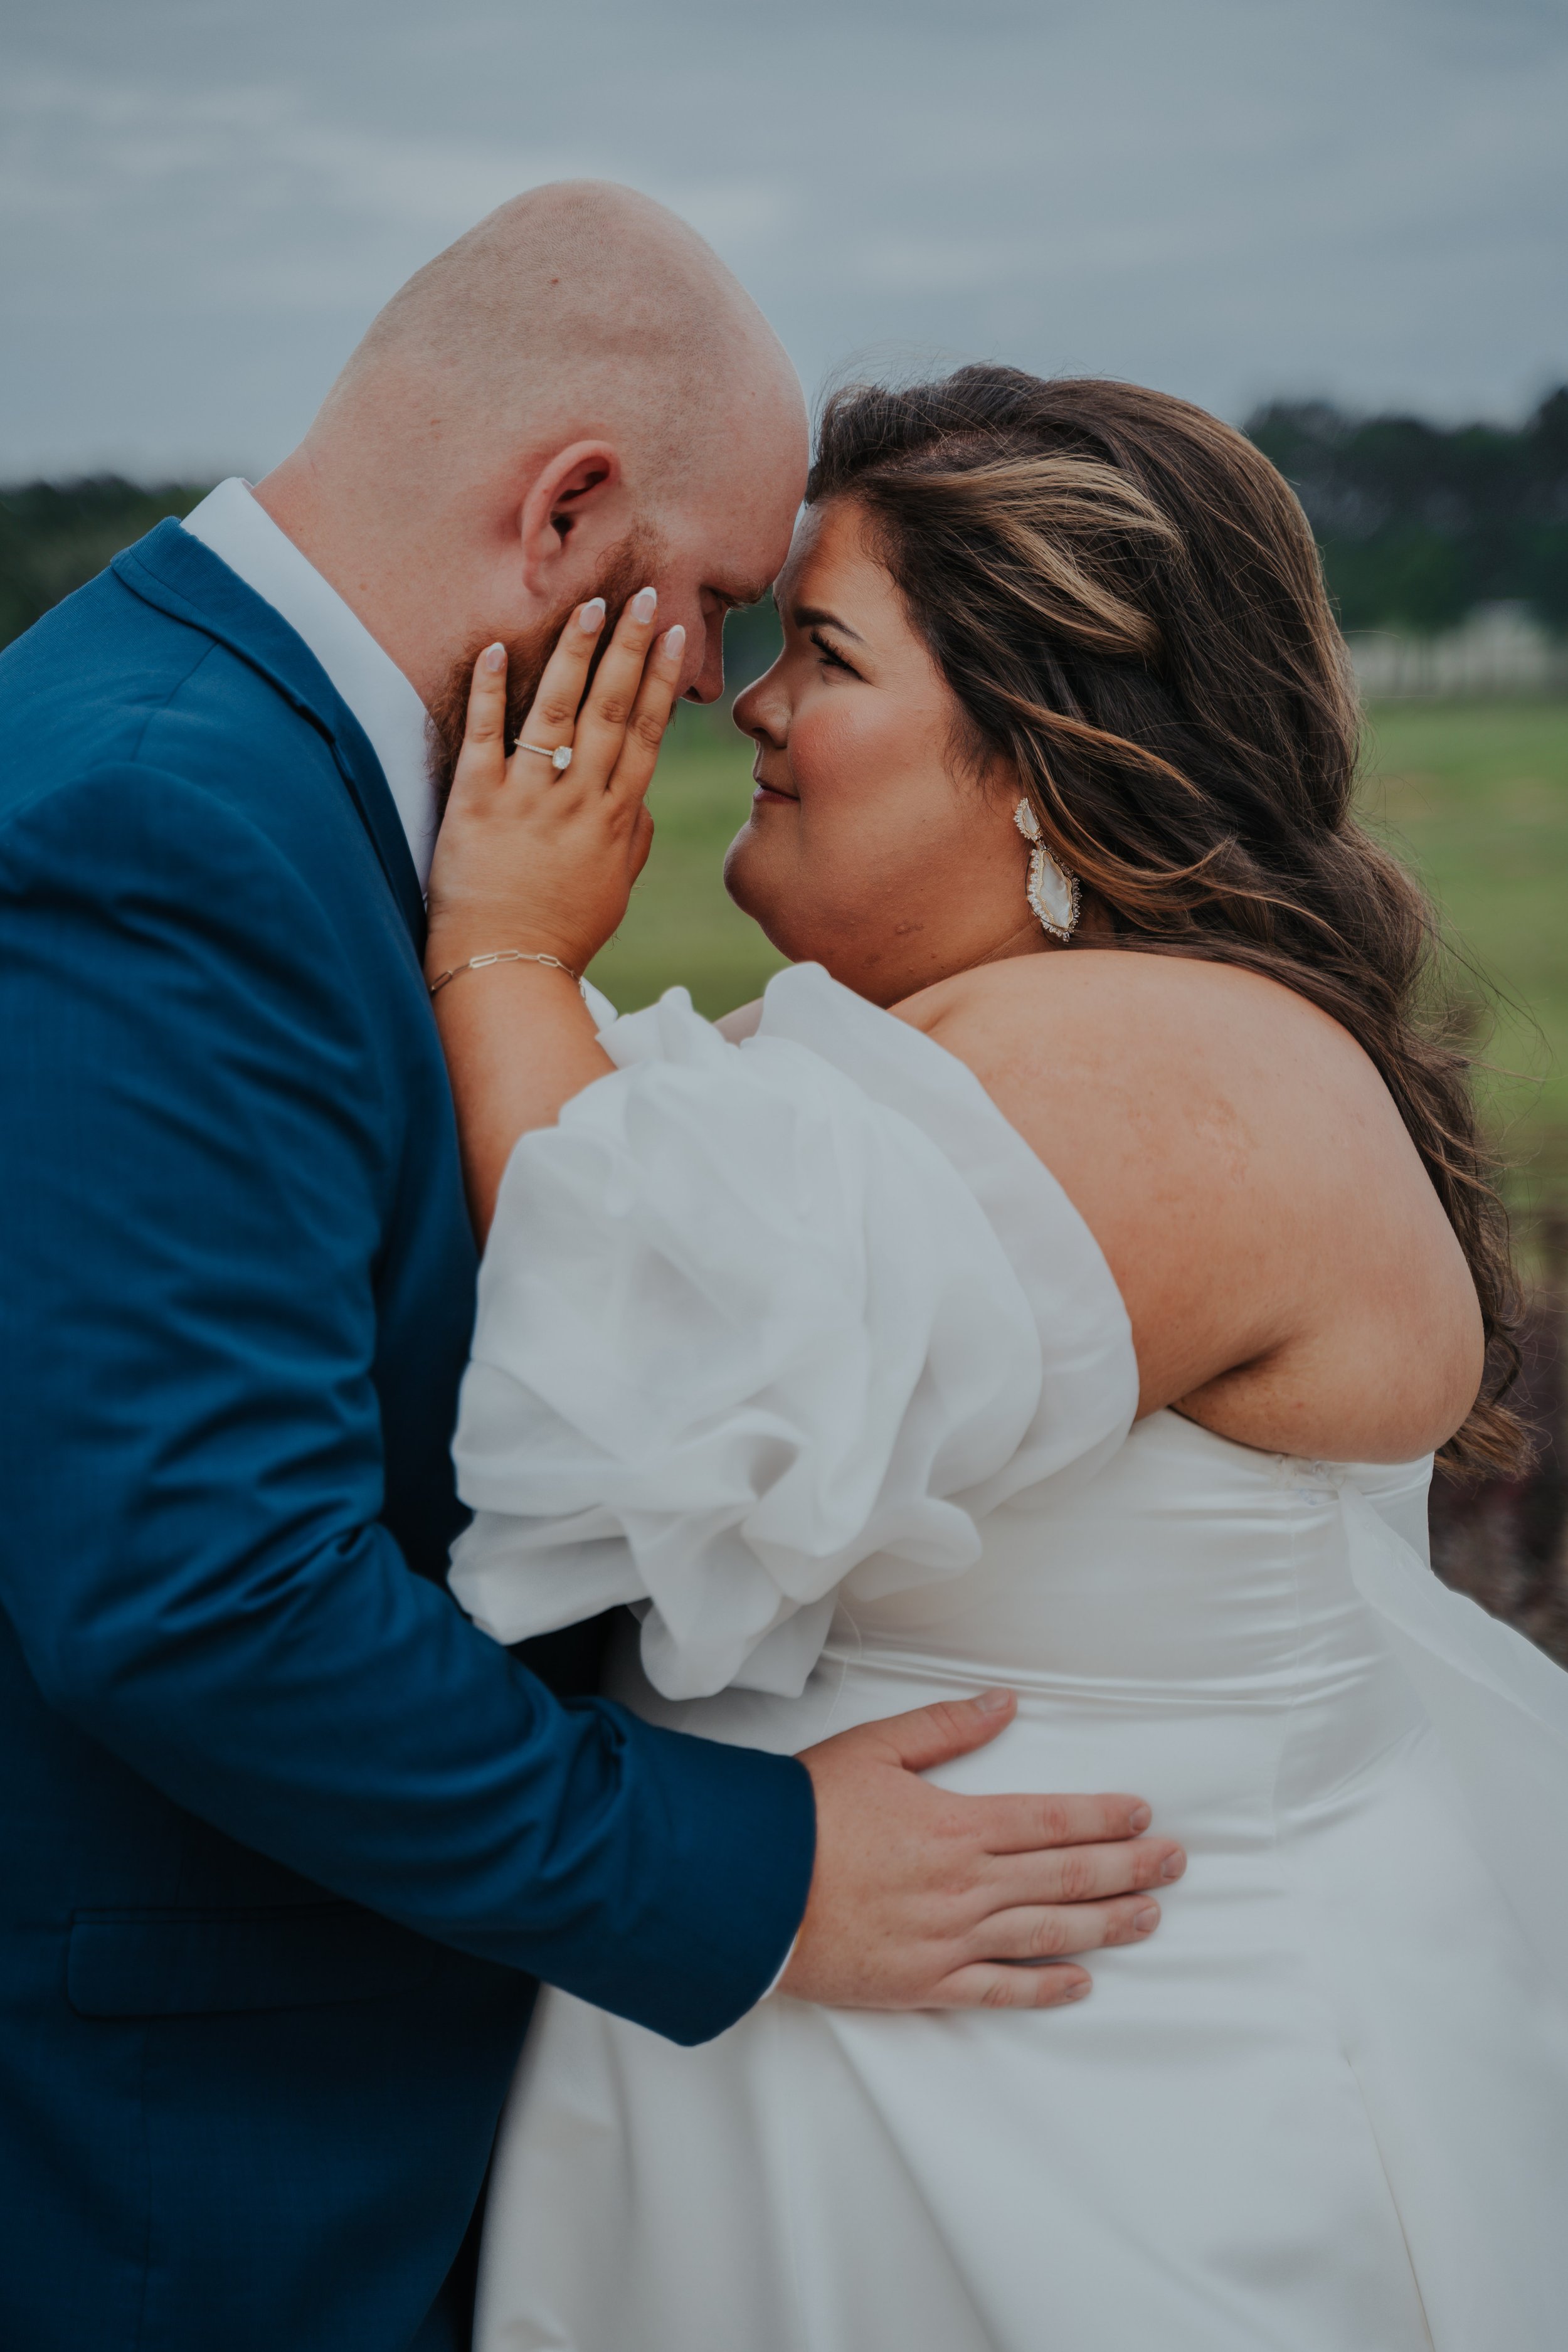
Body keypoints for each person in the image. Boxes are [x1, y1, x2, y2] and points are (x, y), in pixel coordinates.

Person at [0, 201, 1181, 2352]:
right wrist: (759, 1876)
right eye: (716, 598)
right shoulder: (166, 820)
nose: (724, 684)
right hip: (195, 2164)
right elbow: (199, 1588)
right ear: (562, 511)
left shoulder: (256, 766)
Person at [422, 365, 1568, 2351]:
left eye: (827, 653)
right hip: (892, 2087)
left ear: (1045, 748)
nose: (749, 705)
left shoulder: (1157, 1060)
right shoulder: (1019, 1033)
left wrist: (502, 954)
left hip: (1092, 2135)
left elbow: (653, 1384)